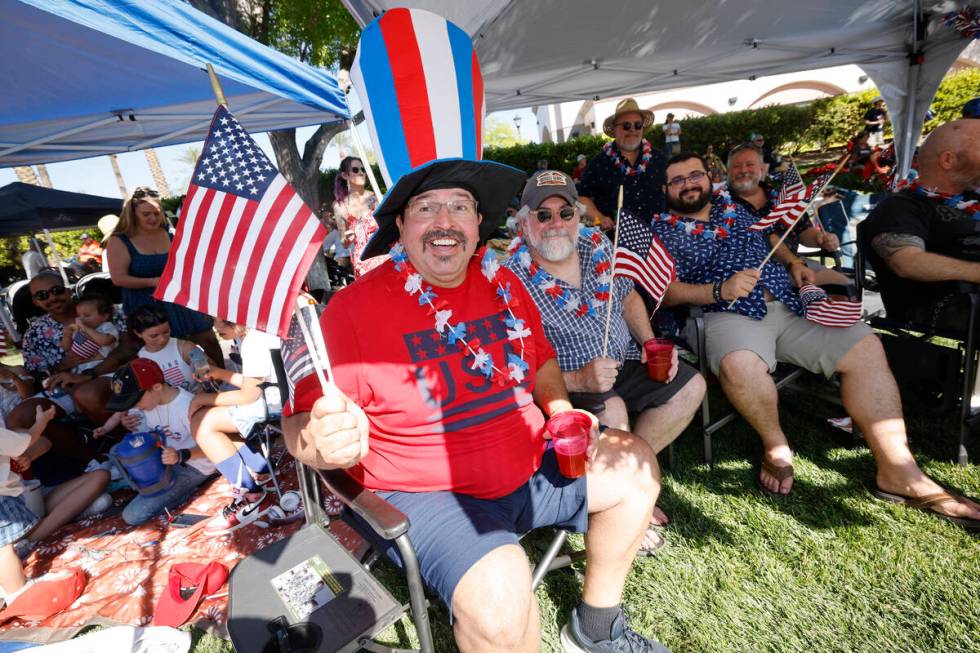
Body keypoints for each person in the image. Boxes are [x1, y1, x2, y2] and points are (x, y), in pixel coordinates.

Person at [287, 12, 670, 649]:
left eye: (459, 207)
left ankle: (596, 623)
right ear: (401, 230)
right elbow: (299, 429)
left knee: (636, 466)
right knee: (502, 600)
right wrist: (321, 443)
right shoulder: (348, 312)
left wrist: (557, 411)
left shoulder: (504, 281)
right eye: (426, 208)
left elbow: (541, 357)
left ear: (478, 226)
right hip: (431, 495)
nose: (444, 220)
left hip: (537, 463)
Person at [650, 152, 980, 528]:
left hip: (789, 300)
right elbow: (666, 293)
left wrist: (794, 264)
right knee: (739, 366)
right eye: (678, 180)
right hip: (726, 311)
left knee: (865, 348)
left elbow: (771, 236)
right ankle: (776, 446)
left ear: (709, 178)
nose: (689, 183)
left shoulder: (734, 209)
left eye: (695, 175)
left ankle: (897, 470)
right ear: (665, 189)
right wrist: (718, 289)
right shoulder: (659, 232)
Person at [506, 171, 706, 551]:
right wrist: (578, 379)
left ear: (579, 215)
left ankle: (631, 479)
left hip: (623, 358)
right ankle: (627, 499)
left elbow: (629, 298)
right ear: (522, 221)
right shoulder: (509, 277)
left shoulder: (597, 244)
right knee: (612, 407)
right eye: (542, 215)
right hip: (567, 382)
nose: (556, 224)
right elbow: (516, 365)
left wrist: (648, 343)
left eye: (565, 213)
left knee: (691, 385)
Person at [860, 119, 980, 332]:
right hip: (941, 306)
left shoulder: (972, 198)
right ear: (948, 160)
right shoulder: (900, 207)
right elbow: (908, 262)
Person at [105, 186, 221, 364]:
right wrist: (153, 282)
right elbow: (118, 278)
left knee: (207, 338)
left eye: (157, 213)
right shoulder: (119, 240)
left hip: (177, 297)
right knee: (166, 350)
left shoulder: (168, 232)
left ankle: (223, 381)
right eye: (146, 214)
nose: (153, 218)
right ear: (132, 213)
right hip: (146, 303)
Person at [189, 322, 281, 534]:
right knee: (206, 417)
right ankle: (261, 468)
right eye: (214, 320)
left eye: (223, 320)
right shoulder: (254, 334)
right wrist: (220, 374)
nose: (216, 326)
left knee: (203, 424)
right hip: (273, 394)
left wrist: (204, 398)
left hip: (275, 403)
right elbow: (255, 383)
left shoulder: (254, 342)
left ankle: (252, 496)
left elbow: (249, 395)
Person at [99, 359, 215, 526]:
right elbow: (158, 433)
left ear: (156, 387)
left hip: (194, 466)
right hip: (167, 458)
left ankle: (179, 495)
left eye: (135, 401)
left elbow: (213, 446)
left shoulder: (187, 407)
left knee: (132, 516)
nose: (135, 407)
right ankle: (162, 491)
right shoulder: (152, 403)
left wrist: (180, 455)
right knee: (117, 451)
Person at [1, 405, 109, 578]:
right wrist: (40, 422)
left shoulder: (11, 433)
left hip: (31, 499)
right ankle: (31, 539)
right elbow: (26, 440)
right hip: (14, 510)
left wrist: (29, 455)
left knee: (101, 476)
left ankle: (65, 516)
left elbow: (43, 442)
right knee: (102, 499)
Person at [726, 144, 847, 286]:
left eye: (750, 164)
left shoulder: (782, 197)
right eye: (737, 166)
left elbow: (803, 230)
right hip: (744, 271)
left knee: (843, 286)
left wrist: (820, 238)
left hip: (795, 266)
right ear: (728, 171)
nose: (743, 170)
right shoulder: (719, 203)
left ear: (762, 169)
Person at [579, 98, 667, 232]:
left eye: (637, 125)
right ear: (614, 130)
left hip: (657, 239)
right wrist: (599, 218)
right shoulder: (598, 163)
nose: (632, 130)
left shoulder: (659, 158)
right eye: (626, 125)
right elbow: (582, 197)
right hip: (615, 241)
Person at [128, 305, 215, 393]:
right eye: (154, 336)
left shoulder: (188, 347)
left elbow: (214, 372)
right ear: (138, 333)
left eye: (166, 332)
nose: (162, 339)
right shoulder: (139, 359)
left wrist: (205, 375)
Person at [333, 157, 385, 279]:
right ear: (345, 175)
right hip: (363, 262)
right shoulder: (340, 206)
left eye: (363, 169)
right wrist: (347, 238)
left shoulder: (376, 197)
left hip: (384, 254)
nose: (361, 173)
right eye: (355, 170)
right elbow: (343, 242)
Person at [59, 294, 118, 375]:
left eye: (87, 315)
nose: (81, 319)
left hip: (99, 366)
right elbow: (67, 348)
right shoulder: (79, 330)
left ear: (104, 316)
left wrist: (85, 328)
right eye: (79, 315)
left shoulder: (106, 327)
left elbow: (105, 341)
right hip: (78, 368)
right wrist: (67, 336)